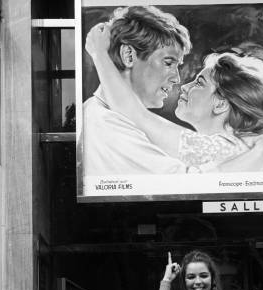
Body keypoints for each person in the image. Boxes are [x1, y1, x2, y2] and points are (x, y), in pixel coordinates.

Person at [86, 22, 263, 172]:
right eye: (168, 62)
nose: (183, 85)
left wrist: (99, 53)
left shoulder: (231, 148)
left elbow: (135, 115)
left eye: (199, 83)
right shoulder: (245, 147)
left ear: (221, 103)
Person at [81, 5, 191, 178]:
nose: (177, 78)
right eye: (169, 63)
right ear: (129, 56)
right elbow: (188, 179)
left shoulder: (105, 114)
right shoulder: (108, 126)